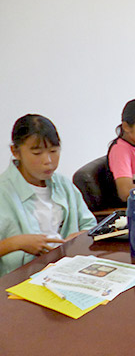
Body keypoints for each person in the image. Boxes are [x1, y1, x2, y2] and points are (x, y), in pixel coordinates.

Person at [0, 115, 96, 276]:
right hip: (20, 280)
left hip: (68, 270)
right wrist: (16, 243)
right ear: (15, 152)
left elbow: (91, 225)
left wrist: (81, 236)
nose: (48, 160)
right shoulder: (4, 191)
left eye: (53, 151)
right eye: (37, 153)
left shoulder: (63, 185)